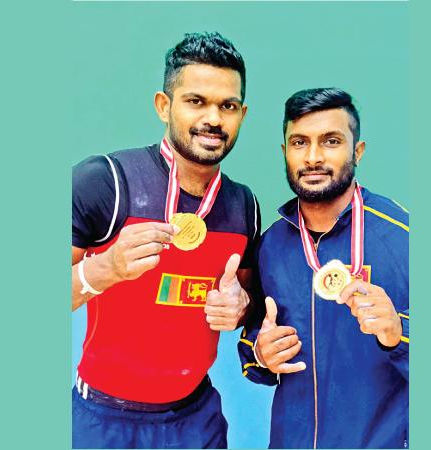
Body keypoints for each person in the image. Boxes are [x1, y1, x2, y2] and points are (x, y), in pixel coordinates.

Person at [72, 32, 260, 449]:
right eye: (196, 101)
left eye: (227, 106)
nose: (213, 118)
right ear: (164, 105)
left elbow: (247, 300)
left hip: (196, 421)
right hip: (105, 420)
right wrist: (105, 268)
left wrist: (241, 306)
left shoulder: (244, 206)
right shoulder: (105, 182)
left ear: (242, 114)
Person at [238, 88, 409, 448]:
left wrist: (399, 331)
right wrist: (261, 353)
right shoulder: (271, 246)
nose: (313, 157)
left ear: (357, 151)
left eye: (331, 141)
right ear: (285, 153)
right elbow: (254, 337)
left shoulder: (404, 236)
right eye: (300, 142)